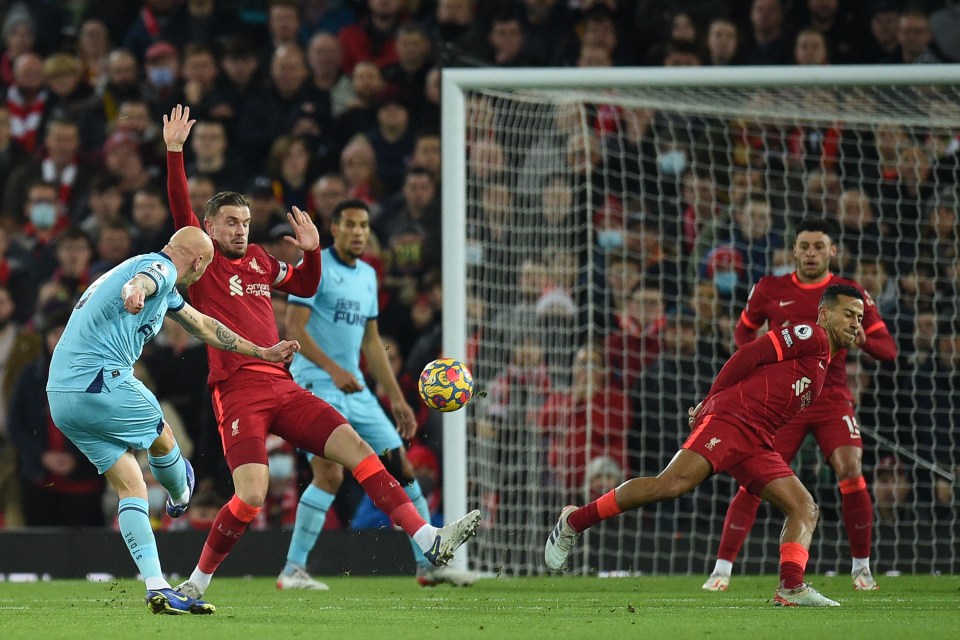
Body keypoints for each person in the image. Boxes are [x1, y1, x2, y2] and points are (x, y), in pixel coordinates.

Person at [162, 105, 481, 601]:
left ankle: (428, 538)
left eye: (245, 222)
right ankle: (197, 583)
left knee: (360, 451)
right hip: (239, 389)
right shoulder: (201, 261)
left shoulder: (263, 261)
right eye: (229, 223)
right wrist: (175, 153)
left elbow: (307, 283)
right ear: (208, 227)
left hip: (284, 387)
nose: (240, 230)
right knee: (249, 497)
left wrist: (311, 249)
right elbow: (180, 214)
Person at [546, 284, 867, 607]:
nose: (855, 323)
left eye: (860, 317)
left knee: (804, 508)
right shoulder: (811, 335)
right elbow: (751, 353)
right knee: (669, 485)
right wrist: (711, 399)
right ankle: (574, 521)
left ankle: (791, 587)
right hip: (733, 418)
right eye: (848, 314)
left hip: (757, 438)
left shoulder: (825, 361)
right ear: (824, 313)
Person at [46, 225, 300, 614]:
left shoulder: (157, 281)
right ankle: (181, 495)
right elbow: (146, 281)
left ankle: (157, 586)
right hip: (99, 380)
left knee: (131, 486)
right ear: (197, 261)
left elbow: (203, 326)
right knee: (162, 434)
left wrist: (262, 352)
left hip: (62, 398)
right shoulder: (158, 268)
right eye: (204, 268)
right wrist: (136, 292)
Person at [278, 199, 477, 589]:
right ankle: (292, 569)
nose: (358, 232)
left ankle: (428, 564)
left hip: (356, 389)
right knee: (330, 475)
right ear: (334, 229)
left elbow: (371, 341)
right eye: (350, 224)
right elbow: (295, 328)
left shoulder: (368, 275)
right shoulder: (314, 269)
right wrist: (334, 370)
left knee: (401, 466)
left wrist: (396, 398)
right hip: (316, 385)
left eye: (364, 225)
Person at [702, 218, 897, 593]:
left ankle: (862, 569)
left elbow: (888, 349)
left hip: (831, 398)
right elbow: (744, 332)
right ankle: (721, 570)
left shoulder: (849, 295)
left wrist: (860, 341)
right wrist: (760, 360)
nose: (811, 253)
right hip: (782, 405)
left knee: (850, 468)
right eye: (804, 246)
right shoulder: (769, 288)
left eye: (818, 247)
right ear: (793, 250)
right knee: (752, 482)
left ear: (832, 251)